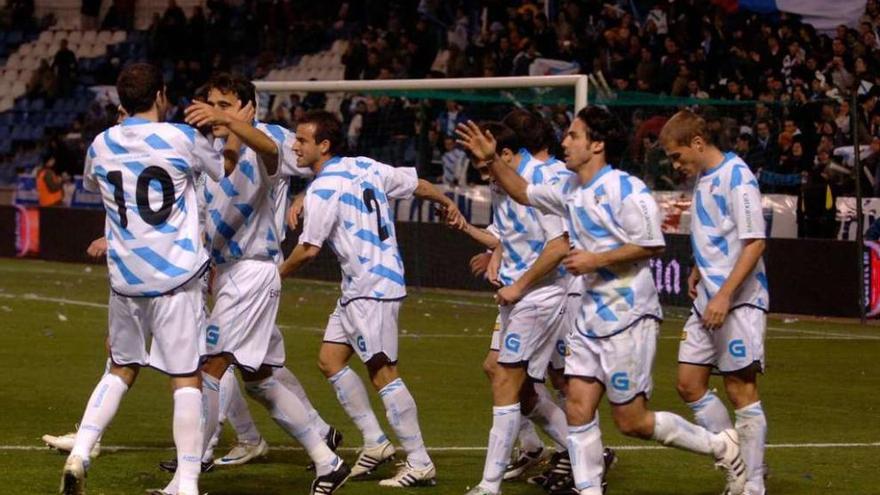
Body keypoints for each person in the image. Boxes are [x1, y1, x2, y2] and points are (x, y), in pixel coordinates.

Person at [456, 107, 747, 495]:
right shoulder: (568, 189)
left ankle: (720, 446)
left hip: (629, 316)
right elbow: (523, 191)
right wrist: (492, 159)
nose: (564, 142)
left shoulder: (627, 189)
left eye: (573, 135)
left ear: (597, 144)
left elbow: (652, 244)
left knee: (632, 421)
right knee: (577, 407)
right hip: (588, 315)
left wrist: (597, 259)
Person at [157, 73, 349, 495]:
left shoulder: (268, 137)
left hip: (253, 271)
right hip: (225, 272)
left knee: (207, 368)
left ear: (247, 108)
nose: (214, 113)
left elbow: (275, 154)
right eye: (211, 103)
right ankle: (327, 456)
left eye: (224, 105)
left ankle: (187, 472)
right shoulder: (207, 148)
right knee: (260, 378)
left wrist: (239, 128)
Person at [60, 62, 226, 495]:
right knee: (186, 377)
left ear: (121, 101)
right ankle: (186, 481)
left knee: (119, 368)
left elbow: (96, 186)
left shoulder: (100, 144)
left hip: (126, 278)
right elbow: (220, 170)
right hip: (175, 279)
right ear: (161, 95)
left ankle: (81, 450)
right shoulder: (182, 138)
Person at [279, 110, 464, 487]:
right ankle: (376, 442)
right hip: (360, 287)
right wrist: (446, 202)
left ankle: (419, 460)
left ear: (324, 145)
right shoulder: (364, 166)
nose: (294, 146)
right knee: (330, 360)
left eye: (302, 140)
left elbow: (309, 249)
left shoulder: (323, 189)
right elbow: (418, 184)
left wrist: (273, 275)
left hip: (371, 288)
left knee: (383, 373)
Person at [659, 109, 769, 495]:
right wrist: (696, 268)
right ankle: (738, 457)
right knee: (689, 384)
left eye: (677, 155)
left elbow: (754, 241)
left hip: (738, 302)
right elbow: (716, 232)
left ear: (698, 143)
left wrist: (724, 293)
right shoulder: (705, 178)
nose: (676, 164)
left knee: (741, 389)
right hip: (708, 298)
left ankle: (753, 483)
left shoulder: (738, 178)